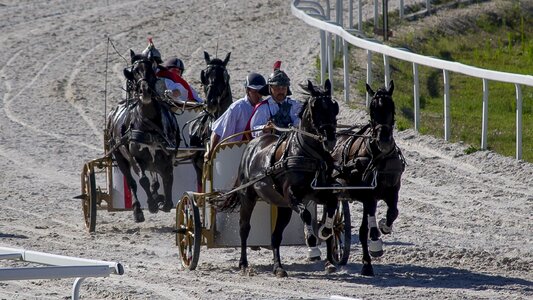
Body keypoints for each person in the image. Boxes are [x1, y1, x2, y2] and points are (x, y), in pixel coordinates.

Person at [204, 72, 266, 160]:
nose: (259, 95)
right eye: (255, 91)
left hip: (257, 154)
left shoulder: (265, 107)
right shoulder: (238, 107)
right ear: (247, 90)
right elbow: (218, 131)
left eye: (261, 92)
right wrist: (211, 154)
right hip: (235, 154)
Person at [248, 62, 302, 138]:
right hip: (270, 144)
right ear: (270, 89)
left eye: (283, 88)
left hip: (291, 141)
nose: (281, 91)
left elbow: (300, 122)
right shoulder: (263, 108)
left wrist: (297, 125)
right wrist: (264, 128)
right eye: (277, 88)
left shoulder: (296, 105)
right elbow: (254, 130)